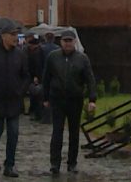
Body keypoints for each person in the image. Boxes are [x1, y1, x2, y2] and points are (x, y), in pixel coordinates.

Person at [42, 29, 97, 175]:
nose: (67, 44)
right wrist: (45, 97)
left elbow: (90, 79)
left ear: (74, 42)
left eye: (70, 41)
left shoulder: (82, 58)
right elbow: (46, 77)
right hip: (57, 99)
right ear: (61, 42)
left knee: (74, 133)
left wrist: (92, 99)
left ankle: (72, 163)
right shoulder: (53, 57)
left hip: (75, 100)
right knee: (57, 132)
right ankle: (55, 163)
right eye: (65, 41)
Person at [0, 26, 30, 178]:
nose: (15, 38)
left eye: (16, 35)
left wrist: (21, 91)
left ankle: (9, 165)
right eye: (12, 35)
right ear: (3, 36)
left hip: (14, 101)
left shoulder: (20, 55)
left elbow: (26, 76)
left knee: (13, 134)